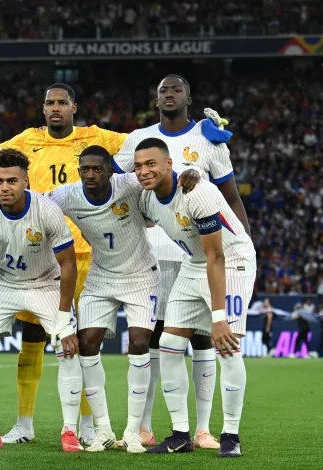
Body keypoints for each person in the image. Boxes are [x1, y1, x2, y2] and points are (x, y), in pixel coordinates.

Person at [0, 82, 224, 446]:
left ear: (74, 107)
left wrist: (195, 151)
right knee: (36, 341)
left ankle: (87, 425)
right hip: (45, 258)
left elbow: (151, 144)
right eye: (49, 102)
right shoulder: (26, 140)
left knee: (80, 343)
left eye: (62, 102)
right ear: (43, 108)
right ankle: (24, 422)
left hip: (90, 258)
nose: (55, 107)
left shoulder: (96, 137)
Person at [112, 75, 244, 449]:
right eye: (163, 91)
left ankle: (202, 430)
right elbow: (116, 185)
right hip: (151, 253)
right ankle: (144, 427)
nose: (169, 95)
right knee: (153, 339)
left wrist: (245, 244)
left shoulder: (209, 138)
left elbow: (231, 197)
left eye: (176, 90)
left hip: (200, 254)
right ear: (155, 100)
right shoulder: (137, 139)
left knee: (203, 338)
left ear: (189, 97)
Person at [49, 144, 200, 453]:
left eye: (97, 169)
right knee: (86, 343)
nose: (91, 174)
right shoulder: (67, 195)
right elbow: (34, 203)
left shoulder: (129, 184)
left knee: (140, 343)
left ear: (110, 171)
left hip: (141, 275)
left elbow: (162, 177)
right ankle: (103, 429)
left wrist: (192, 172)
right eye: (85, 169)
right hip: (101, 276)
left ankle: (133, 431)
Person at [135, 137, 256, 458]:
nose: (144, 171)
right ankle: (180, 435)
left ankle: (230, 435)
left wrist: (218, 319)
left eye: (151, 164)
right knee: (169, 344)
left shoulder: (196, 193)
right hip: (194, 262)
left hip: (231, 261)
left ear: (169, 164)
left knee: (227, 345)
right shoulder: (145, 197)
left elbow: (216, 256)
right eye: (138, 166)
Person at [0, 149, 81, 452]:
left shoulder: (46, 210)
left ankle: (70, 431)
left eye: (12, 181)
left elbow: (68, 263)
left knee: (67, 345)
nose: (4, 187)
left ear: (25, 181)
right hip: (2, 281)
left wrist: (64, 317)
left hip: (44, 282)